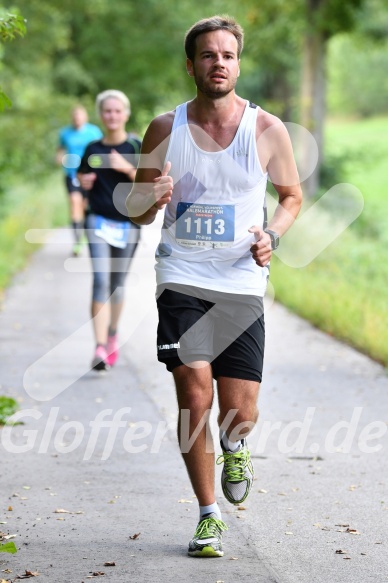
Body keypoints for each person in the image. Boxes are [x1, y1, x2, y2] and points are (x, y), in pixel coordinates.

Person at [126, 16, 303, 558]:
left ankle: (234, 444)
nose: (219, 63)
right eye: (208, 55)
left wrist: (271, 234)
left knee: (239, 411)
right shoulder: (164, 128)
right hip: (181, 273)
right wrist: (149, 199)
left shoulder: (266, 128)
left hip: (241, 279)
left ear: (238, 63)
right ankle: (208, 516)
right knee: (192, 389)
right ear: (191, 65)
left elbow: (292, 196)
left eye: (227, 55)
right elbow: (133, 210)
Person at [78, 90, 141, 371]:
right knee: (100, 280)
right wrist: (84, 182)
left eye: (117, 111)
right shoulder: (92, 148)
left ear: (126, 114)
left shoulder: (137, 147)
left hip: (128, 224)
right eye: (107, 111)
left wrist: (127, 169)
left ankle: (112, 333)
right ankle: (100, 346)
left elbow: (150, 186)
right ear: (100, 115)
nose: (112, 116)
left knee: (117, 283)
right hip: (98, 221)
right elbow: (81, 179)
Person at [57, 105, 103, 256]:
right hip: (72, 174)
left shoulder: (94, 132)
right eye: (75, 116)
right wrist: (60, 159)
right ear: (72, 118)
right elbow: (60, 150)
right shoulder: (65, 133)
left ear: (85, 117)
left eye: (80, 116)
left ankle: (86, 235)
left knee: (85, 207)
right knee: (74, 203)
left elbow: (101, 150)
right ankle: (77, 242)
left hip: (89, 175)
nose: (77, 119)